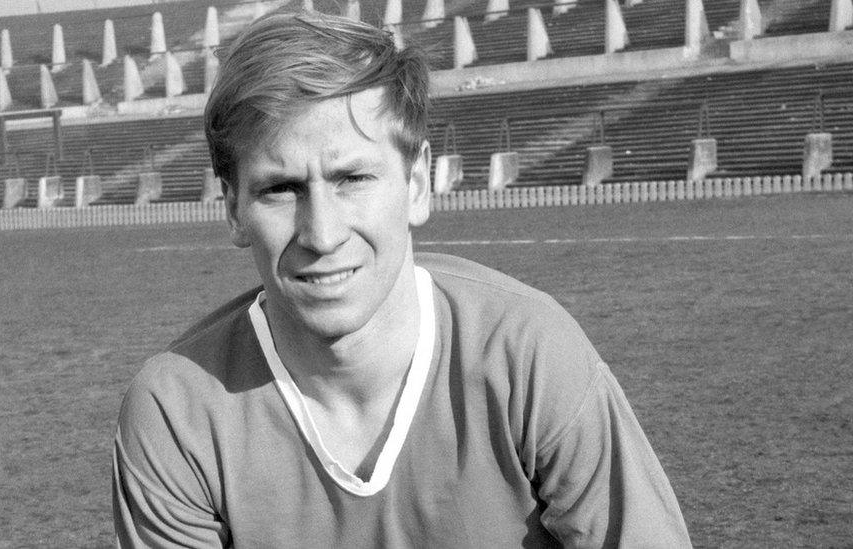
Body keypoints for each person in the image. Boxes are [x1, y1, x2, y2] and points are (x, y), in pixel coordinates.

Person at [112, 11, 691, 548]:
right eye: (280, 189)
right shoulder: (177, 412)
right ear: (234, 209)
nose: (322, 233)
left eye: (353, 178)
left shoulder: (527, 355)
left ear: (416, 184)